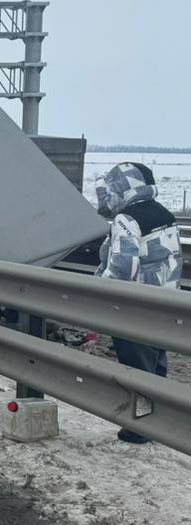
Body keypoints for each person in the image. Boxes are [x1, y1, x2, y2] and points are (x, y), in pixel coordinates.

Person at [95, 162, 184, 444]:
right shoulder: (163, 213)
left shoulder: (126, 219)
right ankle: (158, 420)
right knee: (157, 363)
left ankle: (139, 428)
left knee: (135, 366)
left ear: (121, 188)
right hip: (165, 302)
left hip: (134, 307)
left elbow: (122, 269)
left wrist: (96, 295)